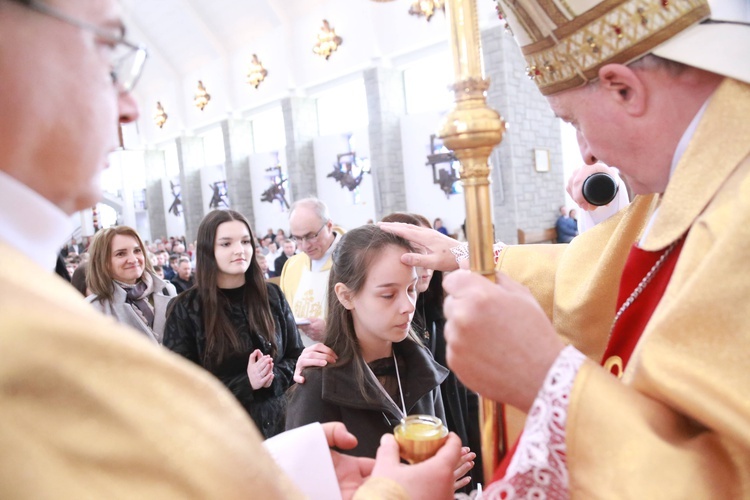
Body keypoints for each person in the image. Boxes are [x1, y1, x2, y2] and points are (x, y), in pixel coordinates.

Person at [0, 0, 462, 496]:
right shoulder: (164, 310)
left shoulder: (272, 295)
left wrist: (292, 458)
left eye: (245, 240)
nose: (129, 107)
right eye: (106, 55)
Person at [382, 0, 750, 496]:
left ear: (625, 87)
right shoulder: (694, 174)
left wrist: (546, 377)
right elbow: (604, 269)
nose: (588, 152)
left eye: (573, 119)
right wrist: (473, 258)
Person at [285, 225, 475, 488]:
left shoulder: (419, 364)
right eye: (388, 295)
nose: (408, 306)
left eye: (411, 289)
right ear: (346, 296)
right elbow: (302, 488)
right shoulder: (318, 383)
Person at [163, 209, 304, 438]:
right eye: (226, 244)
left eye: (245, 241)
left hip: (280, 427)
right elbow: (180, 387)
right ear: (209, 250)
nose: (240, 250)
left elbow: (296, 354)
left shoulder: (271, 295)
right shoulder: (187, 308)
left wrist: (272, 377)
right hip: (224, 436)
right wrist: (247, 382)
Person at [86, 225, 177, 344]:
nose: (133, 259)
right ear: (103, 261)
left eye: (137, 251)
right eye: (121, 254)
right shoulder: (94, 308)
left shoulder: (167, 290)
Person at [280, 197, 344, 345]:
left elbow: (372, 319)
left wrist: (332, 332)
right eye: (297, 238)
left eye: (310, 236)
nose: (304, 246)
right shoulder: (292, 265)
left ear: (329, 226)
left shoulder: (353, 260)